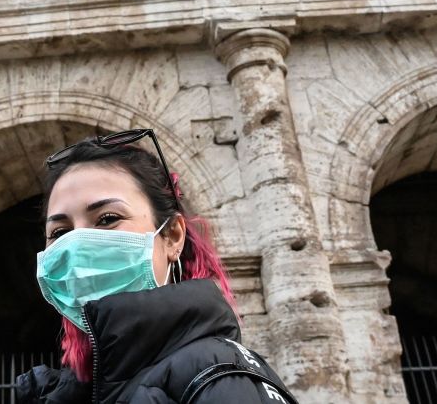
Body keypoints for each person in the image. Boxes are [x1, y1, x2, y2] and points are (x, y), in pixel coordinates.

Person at [15, 129, 297, 404]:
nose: (76, 244)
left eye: (107, 218)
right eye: (59, 233)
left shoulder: (221, 378)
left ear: (172, 236)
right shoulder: (78, 390)